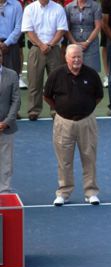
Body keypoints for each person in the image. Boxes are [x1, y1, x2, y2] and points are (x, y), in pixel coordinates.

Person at [43, 44, 103, 206]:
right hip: (63, 123)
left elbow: (98, 96)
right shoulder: (56, 75)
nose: (76, 60)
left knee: (89, 157)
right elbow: (47, 96)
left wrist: (86, 108)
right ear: (66, 58)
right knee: (64, 160)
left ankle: (91, 192)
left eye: (79, 57)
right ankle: (63, 192)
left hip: (87, 122)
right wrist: (61, 109)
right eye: (73, 57)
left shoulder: (91, 75)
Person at [21, 0, 68, 121]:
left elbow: (61, 30)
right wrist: (41, 45)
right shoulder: (29, 9)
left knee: (57, 82)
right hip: (36, 49)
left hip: (54, 49)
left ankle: (56, 109)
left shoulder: (58, 8)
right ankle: (34, 110)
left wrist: (51, 45)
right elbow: (28, 31)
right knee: (34, 81)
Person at [0, 49, 21, 193]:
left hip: (6, 127)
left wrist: (6, 121)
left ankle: (4, 191)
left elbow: (16, 101)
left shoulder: (12, 74)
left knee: (6, 161)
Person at [65, 0, 102, 72]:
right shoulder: (68, 7)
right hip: (73, 42)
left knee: (91, 71)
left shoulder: (96, 6)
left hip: (91, 44)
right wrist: (74, 43)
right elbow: (66, 28)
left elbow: (98, 27)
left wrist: (87, 42)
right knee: (74, 70)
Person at [0, 0, 23, 75]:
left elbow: (19, 27)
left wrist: (6, 43)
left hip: (12, 45)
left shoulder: (16, 5)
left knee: (12, 75)